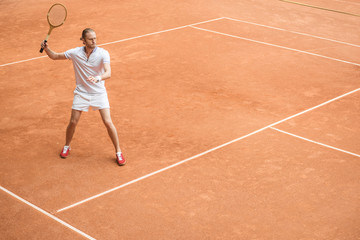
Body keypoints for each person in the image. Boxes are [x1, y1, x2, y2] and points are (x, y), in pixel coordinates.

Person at [41, 28, 125, 166]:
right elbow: (55, 56)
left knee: (108, 122)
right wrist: (46, 49)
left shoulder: (103, 53)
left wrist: (98, 78)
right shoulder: (75, 53)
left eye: (95, 38)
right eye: (91, 39)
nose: (94, 41)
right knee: (73, 121)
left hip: (99, 92)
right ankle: (67, 146)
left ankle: (118, 152)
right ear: (83, 40)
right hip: (82, 93)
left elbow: (108, 72)